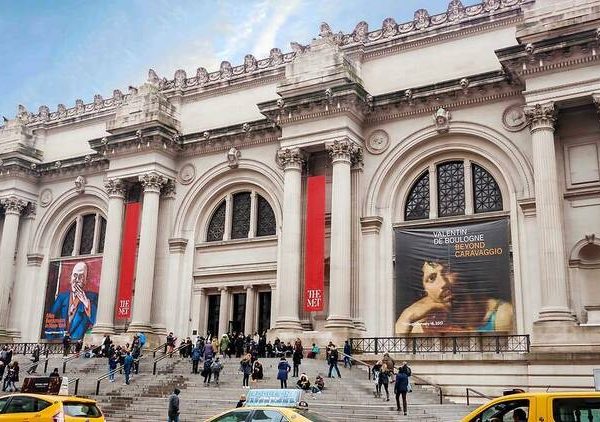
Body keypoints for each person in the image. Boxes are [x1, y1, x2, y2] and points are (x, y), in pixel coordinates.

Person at [395, 259, 513, 334]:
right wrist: (406, 317)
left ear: (461, 272)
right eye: (431, 278)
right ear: (425, 291)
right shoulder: (423, 326)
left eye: (448, 270)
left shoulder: (501, 314)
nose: (444, 283)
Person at [50, 261, 98, 340]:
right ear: (71, 277)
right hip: (58, 345)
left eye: (81, 276)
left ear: (86, 280)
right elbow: (50, 320)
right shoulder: (61, 297)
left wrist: (87, 305)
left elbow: (97, 323)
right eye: (75, 275)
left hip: (77, 345)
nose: (77, 279)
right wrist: (52, 339)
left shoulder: (92, 298)